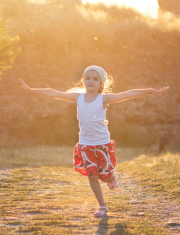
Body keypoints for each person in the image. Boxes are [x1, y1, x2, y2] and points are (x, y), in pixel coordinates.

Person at [19, 67, 169, 218]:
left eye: (95, 79)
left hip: (103, 145)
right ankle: (102, 206)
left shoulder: (104, 99)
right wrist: (31, 90)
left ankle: (111, 179)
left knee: (105, 177)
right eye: (88, 78)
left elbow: (129, 94)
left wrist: (151, 90)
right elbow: (54, 93)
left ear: (101, 83)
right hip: (86, 145)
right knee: (92, 176)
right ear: (84, 80)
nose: (91, 81)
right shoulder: (77, 97)